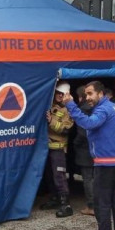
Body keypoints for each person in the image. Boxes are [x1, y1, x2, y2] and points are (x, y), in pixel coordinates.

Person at [64, 81, 115, 230]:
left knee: (102, 206)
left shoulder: (103, 110)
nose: (87, 97)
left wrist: (71, 105)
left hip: (107, 164)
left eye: (90, 94)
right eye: (86, 94)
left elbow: (88, 123)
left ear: (100, 94)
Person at [40, 81, 75, 217]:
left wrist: (51, 121)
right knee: (49, 175)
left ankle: (66, 205)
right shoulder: (50, 106)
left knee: (59, 176)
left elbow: (66, 130)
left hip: (59, 148)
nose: (60, 96)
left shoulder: (69, 110)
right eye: (58, 93)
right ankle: (54, 198)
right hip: (46, 147)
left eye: (63, 94)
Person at [72, 85, 95, 216]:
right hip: (97, 149)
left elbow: (82, 133)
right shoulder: (97, 108)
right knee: (96, 178)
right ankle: (100, 203)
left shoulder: (82, 111)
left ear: (80, 97)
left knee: (87, 179)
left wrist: (75, 144)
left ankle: (91, 206)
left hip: (85, 150)